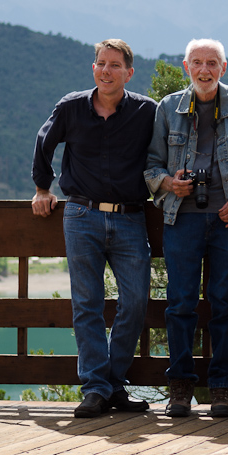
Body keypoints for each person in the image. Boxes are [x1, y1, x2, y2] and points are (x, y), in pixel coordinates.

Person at [144, 38, 228, 418]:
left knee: (226, 305)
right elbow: (151, 164)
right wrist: (170, 183)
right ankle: (180, 386)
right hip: (181, 218)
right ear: (186, 67)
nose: (204, 70)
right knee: (180, 303)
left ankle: (222, 386)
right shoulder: (168, 107)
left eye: (212, 63)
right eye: (197, 63)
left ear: (223, 67)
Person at [31, 38, 157, 419]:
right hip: (81, 215)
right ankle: (96, 388)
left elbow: (167, 151)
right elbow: (44, 142)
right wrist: (42, 188)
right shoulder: (71, 106)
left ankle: (111, 383)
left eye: (115, 65)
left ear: (129, 73)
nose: (106, 70)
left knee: (135, 301)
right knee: (87, 304)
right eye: (101, 63)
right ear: (93, 68)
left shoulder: (146, 111)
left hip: (131, 216)